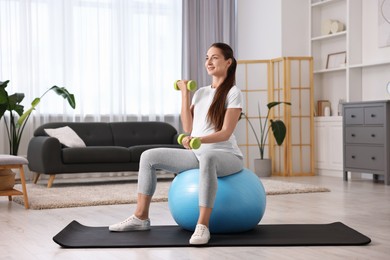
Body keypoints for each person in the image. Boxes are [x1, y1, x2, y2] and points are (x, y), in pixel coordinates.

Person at [109, 42, 244, 245]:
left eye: (215, 57)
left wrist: (199, 141)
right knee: (148, 157)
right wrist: (184, 93)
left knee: (208, 157)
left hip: (226, 156)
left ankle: (202, 226)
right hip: (197, 155)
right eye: (207, 57)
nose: (209, 61)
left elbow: (225, 133)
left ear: (228, 62)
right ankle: (140, 217)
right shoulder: (200, 93)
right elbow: (189, 126)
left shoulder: (233, 92)